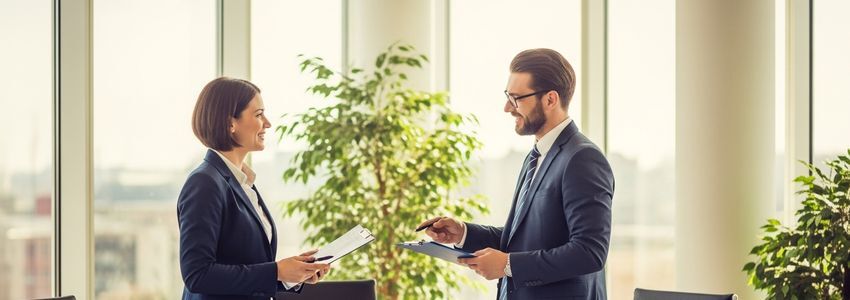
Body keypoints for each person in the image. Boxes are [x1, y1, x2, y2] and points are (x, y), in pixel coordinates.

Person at [419, 49, 614, 300]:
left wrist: (508, 264)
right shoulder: (537, 156)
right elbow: (524, 239)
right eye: (507, 97)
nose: (507, 108)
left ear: (550, 99)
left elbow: (590, 252)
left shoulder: (582, 158)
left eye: (516, 98)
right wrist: (463, 233)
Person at [178, 77, 330, 299]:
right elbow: (198, 274)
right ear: (231, 123)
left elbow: (246, 270)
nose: (267, 123)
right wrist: (276, 270)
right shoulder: (205, 183)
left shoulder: (242, 181)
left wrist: (292, 274)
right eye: (258, 114)